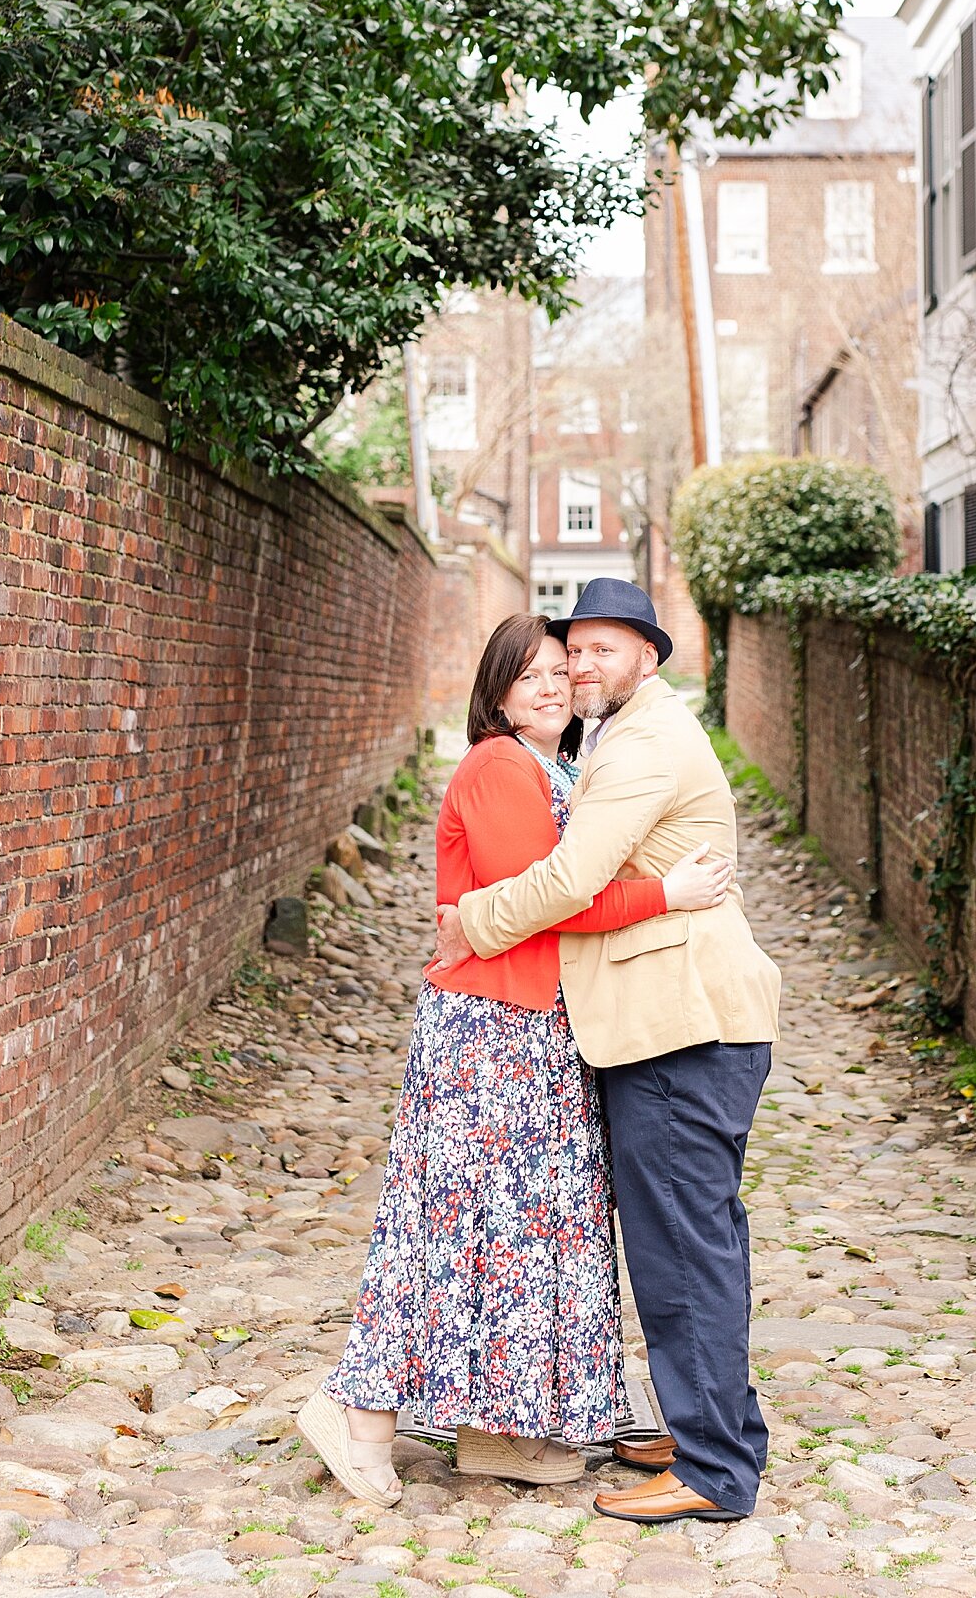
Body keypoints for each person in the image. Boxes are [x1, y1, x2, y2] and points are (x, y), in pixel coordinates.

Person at [298, 612, 732, 1509]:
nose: (550, 685)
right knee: (452, 1232)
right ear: (494, 692)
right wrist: (666, 893)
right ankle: (358, 1413)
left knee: (526, 1236)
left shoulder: (560, 766)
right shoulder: (498, 764)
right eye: (527, 673)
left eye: (558, 671)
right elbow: (548, 899)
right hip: (487, 1033)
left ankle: (501, 1426)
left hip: (538, 1030)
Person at [430, 579, 782, 1527]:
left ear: (649, 656)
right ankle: (710, 1430)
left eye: (603, 649)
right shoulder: (619, 733)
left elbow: (571, 878)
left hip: (680, 1024)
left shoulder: (644, 746)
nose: (582, 665)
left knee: (679, 1247)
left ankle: (712, 1469)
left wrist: (472, 919)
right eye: (572, 648)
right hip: (673, 1022)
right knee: (696, 1237)